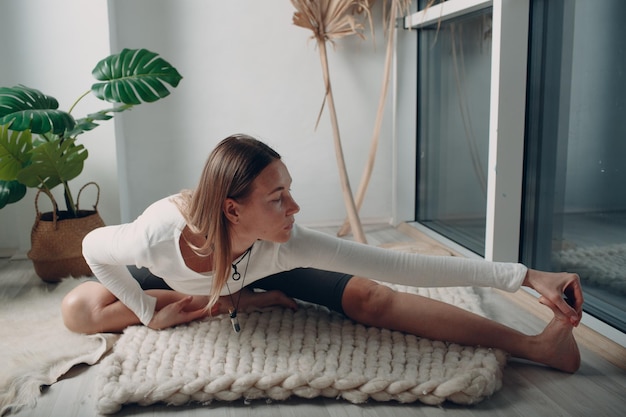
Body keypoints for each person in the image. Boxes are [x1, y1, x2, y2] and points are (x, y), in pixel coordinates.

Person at [62, 134, 583, 373]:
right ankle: (233, 301)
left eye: (288, 189)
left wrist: (524, 275)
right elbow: (91, 246)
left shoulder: (289, 243)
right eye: (277, 198)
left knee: (374, 298)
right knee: (79, 310)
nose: (295, 206)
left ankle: (536, 347)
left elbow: (401, 265)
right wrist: (148, 312)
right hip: (197, 271)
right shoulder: (157, 237)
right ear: (233, 209)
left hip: (258, 267)